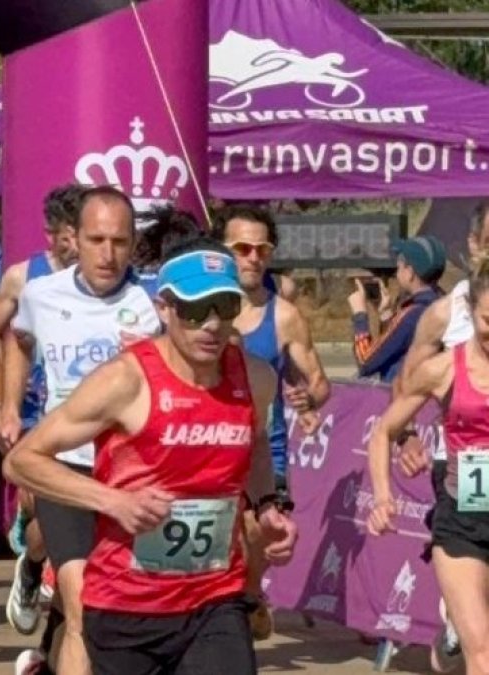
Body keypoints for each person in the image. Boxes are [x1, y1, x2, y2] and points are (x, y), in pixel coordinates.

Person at [5, 239, 298, 675]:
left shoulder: (255, 378)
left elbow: (254, 443)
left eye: (226, 306)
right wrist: (113, 501)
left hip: (213, 598)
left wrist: (267, 503)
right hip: (128, 605)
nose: (213, 325)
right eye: (197, 309)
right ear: (164, 309)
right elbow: (23, 460)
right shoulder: (125, 381)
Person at [1, 186, 162, 675]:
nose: (108, 254)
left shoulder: (154, 300)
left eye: (119, 241)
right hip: (65, 468)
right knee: (82, 601)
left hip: (132, 474)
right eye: (96, 239)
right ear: (73, 238)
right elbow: (19, 342)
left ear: (134, 243)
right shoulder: (42, 294)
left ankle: (49, 660)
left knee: (128, 606)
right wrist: (9, 405)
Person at [212, 205, 331, 638]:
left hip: (267, 453)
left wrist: (306, 398)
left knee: (250, 540)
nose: (253, 257)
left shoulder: (283, 315)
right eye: (242, 248)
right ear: (223, 251)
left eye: (262, 249)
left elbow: (318, 382)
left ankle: (246, 597)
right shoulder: (199, 312)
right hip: (206, 451)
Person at [367, 258, 489, 675]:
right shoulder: (443, 369)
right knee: (483, 652)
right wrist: (383, 498)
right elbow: (383, 431)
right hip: (465, 518)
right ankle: (458, 628)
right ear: (471, 312)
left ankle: (448, 633)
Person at [0, 185, 80, 675]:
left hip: (88, 422)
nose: (74, 248)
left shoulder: (111, 287)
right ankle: (32, 563)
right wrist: (5, 404)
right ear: (52, 235)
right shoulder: (24, 277)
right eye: (65, 238)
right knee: (35, 506)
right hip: (36, 413)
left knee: (65, 543)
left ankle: (34, 565)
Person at [350, 234, 446, 382]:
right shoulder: (442, 304)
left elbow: (365, 362)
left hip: (401, 394)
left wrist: (359, 314)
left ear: (410, 272)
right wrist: (386, 315)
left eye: (400, 265)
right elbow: (396, 345)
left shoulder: (412, 314)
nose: (397, 271)